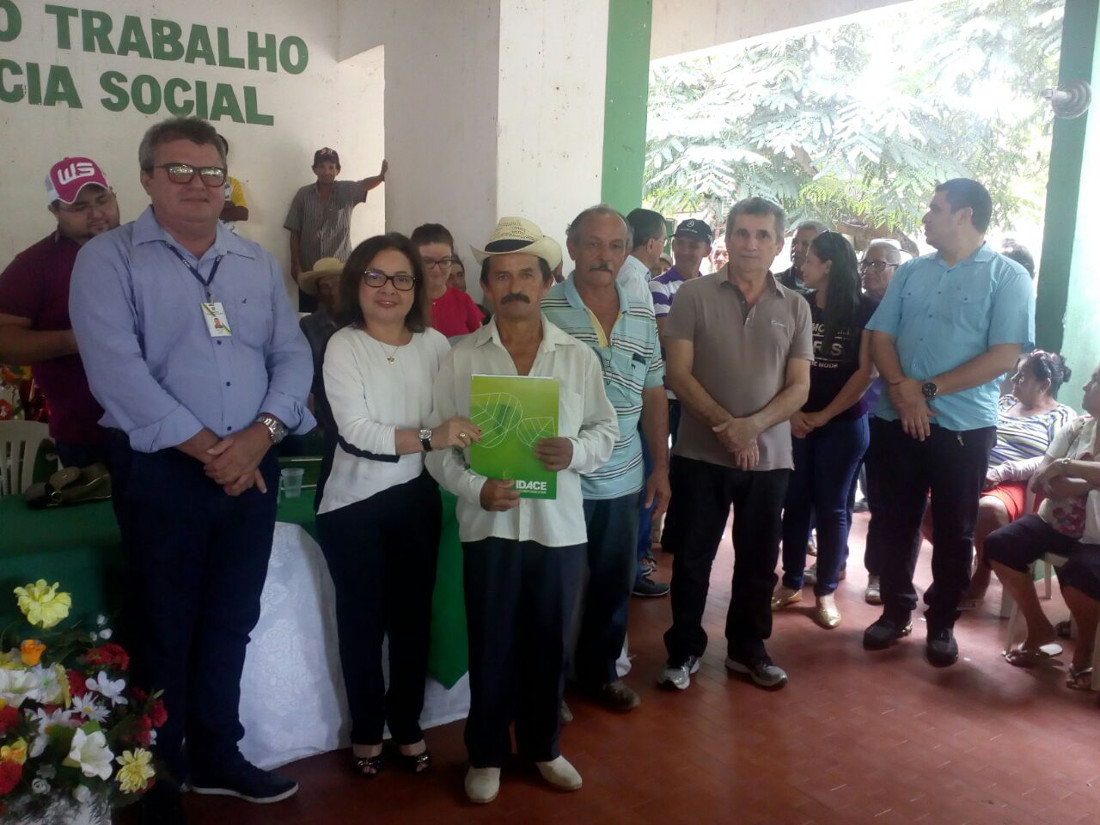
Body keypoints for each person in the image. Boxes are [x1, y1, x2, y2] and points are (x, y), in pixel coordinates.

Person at [69, 116, 314, 825]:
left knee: (232, 619)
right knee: (163, 626)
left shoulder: (254, 261)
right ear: (146, 178)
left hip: (251, 463)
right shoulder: (109, 259)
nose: (199, 185)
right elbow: (120, 376)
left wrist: (261, 435)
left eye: (211, 172)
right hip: (162, 472)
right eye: (180, 170)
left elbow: (291, 355)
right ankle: (156, 772)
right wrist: (219, 450)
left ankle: (217, 754)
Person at [426, 216, 616, 805]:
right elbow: (439, 449)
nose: (514, 286)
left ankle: (543, 748)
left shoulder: (577, 358)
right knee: (492, 644)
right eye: (501, 276)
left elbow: (605, 430)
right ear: (485, 287)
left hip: (559, 529)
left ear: (546, 281)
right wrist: (474, 489)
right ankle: (485, 754)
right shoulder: (459, 359)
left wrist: (576, 451)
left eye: (526, 275)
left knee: (549, 645)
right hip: (488, 525)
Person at [317, 233, 477, 778]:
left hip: (417, 498)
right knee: (362, 623)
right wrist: (434, 436)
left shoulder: (434, 344)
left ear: (419, 286)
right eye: (376, 277)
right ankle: (366, 729)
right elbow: (358, 433)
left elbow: (454, 412)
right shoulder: (344, 345)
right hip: (353, 505)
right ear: (356, 282)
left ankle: (407, 725)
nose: (390, 289)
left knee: (412, 622)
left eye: (402, 278)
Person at [862, 178, 1034, 667]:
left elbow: (1004, 355)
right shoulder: (912, 271)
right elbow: (881, 336)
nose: (926, 215)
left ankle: (941, 622)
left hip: (963, 429)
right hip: (897, 419)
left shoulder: (1007, 277)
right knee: (894, 522)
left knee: (956, 529)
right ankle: (896, 611)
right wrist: (904, 391)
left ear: (965, 215)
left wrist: (926, 390)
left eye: (935, 208)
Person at [659, 198, 812, 692]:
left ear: (778, 244)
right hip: (700, 454)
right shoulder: (693, 296)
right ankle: (683, 649)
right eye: (742, 233)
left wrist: (754, 427)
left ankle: (748, 650)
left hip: (770, 459)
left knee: (758, 559)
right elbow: (678, 375)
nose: (751, 244)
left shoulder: (795, 306)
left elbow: (799, 388)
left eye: (762, 235)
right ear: (727, 239)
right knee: (693, 557)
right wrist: (731, 427)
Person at [542, 205, 669, 711]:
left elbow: (655, 391)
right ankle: (548, 690)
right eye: (593, 244)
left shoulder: (641, 312)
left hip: (623, 479)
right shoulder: (544, 310)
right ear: (571, 246)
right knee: (557, 591)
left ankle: (599, 674)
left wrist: (661, 467)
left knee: (613, 586)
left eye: (615, 246)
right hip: (561, 480)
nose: (604, 255)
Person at [774, 232, 876, 629]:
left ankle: (826, 590)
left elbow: (867, 372)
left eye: (810, 259)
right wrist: (795, 411)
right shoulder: (800, 305)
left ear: (829, 265)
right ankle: (791, 581)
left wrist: (824, 415)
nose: (802, 265)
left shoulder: (866, 309)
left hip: (843, 425)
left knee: (833, 508)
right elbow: (785, 362)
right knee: (795, 502)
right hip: (798, 420)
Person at [923, 351, 1074, 608]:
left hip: (1015, 483)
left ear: (1044, 385)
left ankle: (981, 574)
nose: (1014, 379)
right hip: (975, 470)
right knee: (925, 506)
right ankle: (961, 559)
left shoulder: (1060, 417)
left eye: (1022, 376)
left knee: (989, 511)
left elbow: (1050, 460)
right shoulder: (1003, 402)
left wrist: (1002, 472)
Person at [984, 363, 1100, 688]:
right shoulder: (1077, 428)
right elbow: (1041, 481)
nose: (1084, 387)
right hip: (1055, 522)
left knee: (1082, 575)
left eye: (1094, 381)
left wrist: (1067, 467)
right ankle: (1039, 628)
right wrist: (1089, 479)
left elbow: (1058, 474)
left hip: (1096, 539)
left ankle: (1086, 647)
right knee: (1000, 544)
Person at [0, 157, 120, 468]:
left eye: (102, 200)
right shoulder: (34, 265)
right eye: (79, 207)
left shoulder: (145, 248)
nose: (96, 214)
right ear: (55, 211)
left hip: (166, 425)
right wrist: (74, 339)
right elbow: (4, 338)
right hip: (88, 434)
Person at [857, 239, 906, 604]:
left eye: (879, 265)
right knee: (839, 497)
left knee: (885, 502)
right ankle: (829, 565)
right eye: (866, 264)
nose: (870, 272)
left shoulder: (906, 309)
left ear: (898, 270)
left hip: (887, 417)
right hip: (848, 413)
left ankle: (879, 573)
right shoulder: (856, 306)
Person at [284, 147, 387, 311]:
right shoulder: (303, 194)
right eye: (322, 167)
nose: (326, 171)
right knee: (311, 317)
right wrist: (295, 264)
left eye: (331, 167)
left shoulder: (346, 190)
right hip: (310, 271)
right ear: (314, 169)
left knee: (342, 314)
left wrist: (381, 177)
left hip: (340, 270)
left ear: (338, 170)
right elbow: (295, 231)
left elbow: (364, 185)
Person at [297, 256, 345, 507]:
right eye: (324, 286)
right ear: (317, 292)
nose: (331, 291)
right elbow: (307, 373)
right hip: (326, 411)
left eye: (336, 284)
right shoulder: (308, 326)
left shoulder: (360, 321)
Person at [411, 223, 483, 338]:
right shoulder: (405, 301)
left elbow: (480, 345)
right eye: (428, 261)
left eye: (444, 261)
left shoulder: (464, 301)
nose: (436, 269)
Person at [775, 220, 827, 292]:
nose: (797, 248)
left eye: (805, 244)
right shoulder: (775, 285)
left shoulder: (833, 289)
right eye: (794, 242)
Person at [216, 134, 249, 232]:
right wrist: (226, 205)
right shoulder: (192, 180)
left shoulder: (232, 183)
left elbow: (243, 213)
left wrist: (205, 209)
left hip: (229, 239)